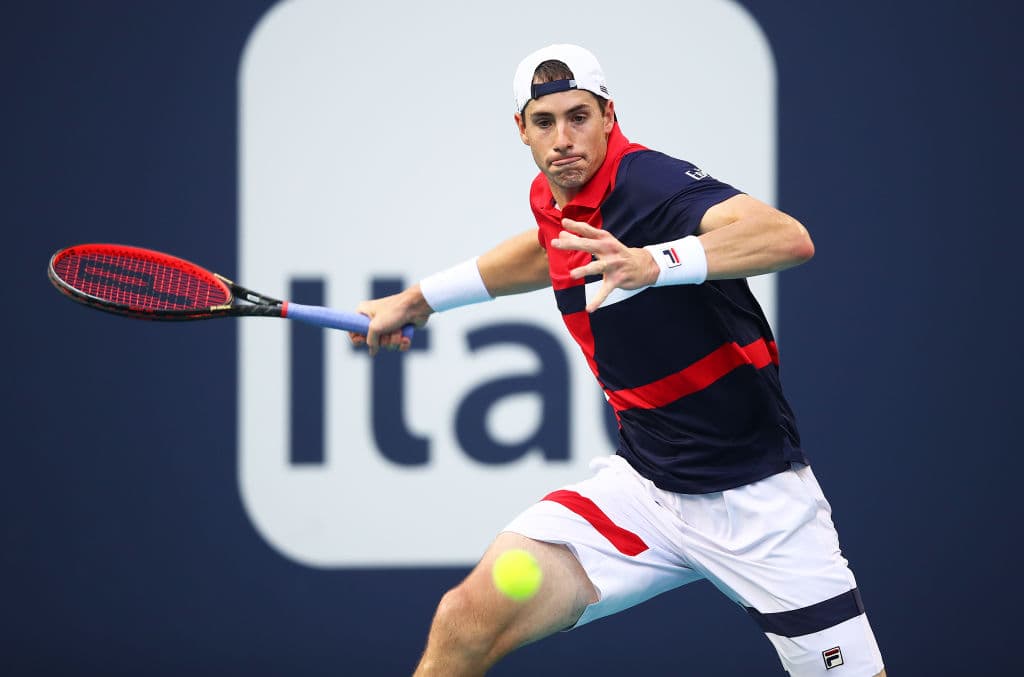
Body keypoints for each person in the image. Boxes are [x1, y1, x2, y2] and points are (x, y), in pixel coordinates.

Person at [350, 44, 885, 677]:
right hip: (644, 493)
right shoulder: (555, 199)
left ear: (609, 115)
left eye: (579, 116)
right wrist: (419, 300)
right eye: (544, 122)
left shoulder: (650, 183)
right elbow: (541, 251)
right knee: (467, 617)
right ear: (520, 130)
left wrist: (656, 262)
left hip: (757, 503)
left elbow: (786, 237)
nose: (563, 139)